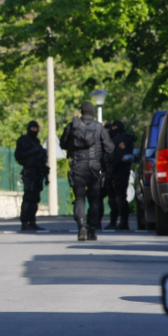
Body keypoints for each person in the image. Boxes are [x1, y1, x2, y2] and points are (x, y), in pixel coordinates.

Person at [60, 102, 114, 241]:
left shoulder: (73, 126)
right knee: (94, 200)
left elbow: (63, 144)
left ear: (81, 112)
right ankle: (92, 229)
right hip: (95, 168)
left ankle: (81, 226)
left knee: (79, 198)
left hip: (78, 167)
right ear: (93, 112)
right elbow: (110, 148)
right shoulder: (99, 127)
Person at [15, 120, 49, 231]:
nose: (34, 131)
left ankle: (32, 221)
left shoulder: (37, 142)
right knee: (28, 198)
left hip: (38, 174)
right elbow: (19, 156)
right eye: (32, 129)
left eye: (36, 129)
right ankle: (24, 222)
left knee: (35, 199)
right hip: (29, 173)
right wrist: (33, 152)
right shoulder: (24, 141)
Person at [106, 120, 136, 230]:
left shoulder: (124, 139)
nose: (113, 130)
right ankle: (115, 222)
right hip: (115, 172)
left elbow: (120, 156)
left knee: (121, 198)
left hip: (121, 171)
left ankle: (124, 222)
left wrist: (112, 168)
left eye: (115, 128)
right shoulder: (116, 138)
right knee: (114, 198)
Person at [90, 121, 119, 230]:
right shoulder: (99, 144)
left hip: (111, 177)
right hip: (101, 176)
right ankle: (97, 222)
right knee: (97, 200)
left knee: (113, 200)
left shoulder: (114, 143)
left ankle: (113, 222)